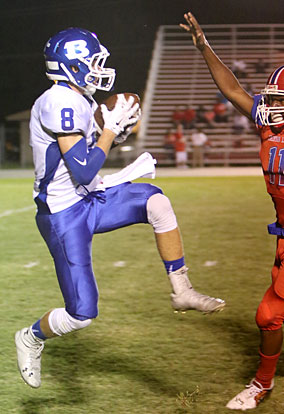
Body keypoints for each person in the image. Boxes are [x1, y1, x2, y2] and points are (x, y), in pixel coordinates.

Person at [15, 27, 225, 389]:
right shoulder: (58, 101)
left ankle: (182, 290)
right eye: (92, 62)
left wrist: (109, 132)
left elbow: (87, 164)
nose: (98, 69)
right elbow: (82, 168)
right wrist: (109, 133)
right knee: (82, 314)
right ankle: (31, 336)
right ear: (72, 66)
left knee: (155, 201)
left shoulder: (80, 99)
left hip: (89, 199)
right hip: (63, 215)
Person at [181, 11, 284, 410]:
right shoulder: (268, 127)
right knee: (269, 317)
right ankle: (263, 383)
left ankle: (262, 383)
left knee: (269, 314)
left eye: (278, 101)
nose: (270, 106)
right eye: (272, 99)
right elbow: (233, 90)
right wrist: (204, 45)